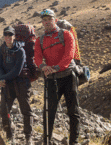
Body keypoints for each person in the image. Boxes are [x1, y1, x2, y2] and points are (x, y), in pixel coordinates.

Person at [34, 9, 80, 145]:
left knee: (73, 111)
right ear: (42, 22)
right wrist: (43, 67)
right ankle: (47, 141)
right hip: (51, 79)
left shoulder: (66, 34)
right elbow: (37, 57)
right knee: (49, 112)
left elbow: (69, 55)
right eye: (44, 20)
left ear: (55, 19)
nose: (47, 22)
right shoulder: (40, 40)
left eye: (49, 19)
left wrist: (55, 68)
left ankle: (74, 142)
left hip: (68, 77)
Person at [0, 26, 33, 145]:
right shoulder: (1, 50)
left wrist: (1, 79)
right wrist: (1, 79)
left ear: (14, 36)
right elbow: (0, 67)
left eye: (10, 35)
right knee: (4, 111)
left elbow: (17, 71)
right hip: (8, 85)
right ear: (3, 36)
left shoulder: (20, 51)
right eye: (6, 35)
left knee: (26, 111)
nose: (8, 37)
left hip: (21, 83)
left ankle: (28, 136)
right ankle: (9, 135)